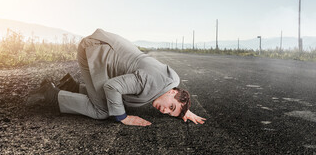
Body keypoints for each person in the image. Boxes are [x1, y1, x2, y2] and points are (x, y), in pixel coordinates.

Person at [29, 29, 206, 126]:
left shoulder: (171, 79)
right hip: (94, 50)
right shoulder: (149, 82)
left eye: (169, 113)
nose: (164, 111)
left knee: (114, 100)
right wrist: (122, 117)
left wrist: (182, 108)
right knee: (103, 110)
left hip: (104, 45)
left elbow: (176, 96)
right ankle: (50, 94)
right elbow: (112, 87)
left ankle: (70, 86)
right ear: (172, 92)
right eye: (170, 107)